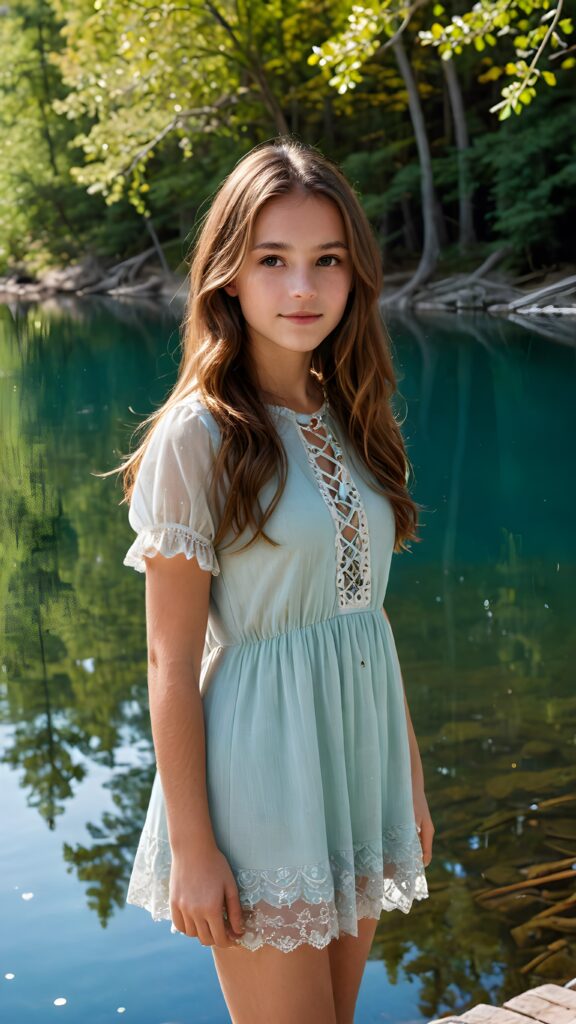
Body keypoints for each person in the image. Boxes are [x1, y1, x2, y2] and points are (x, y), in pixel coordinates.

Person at [115, 136, 433, 1024]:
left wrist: (404, 778)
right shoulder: (199, 436)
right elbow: (168, 659)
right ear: (228, 276)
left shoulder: (354, 415)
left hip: (357, 765)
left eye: (326, 261)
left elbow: (364, 615)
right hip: (259, 776)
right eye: (273, 261)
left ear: (354, 274)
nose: (303, 288)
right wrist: (194, 847)